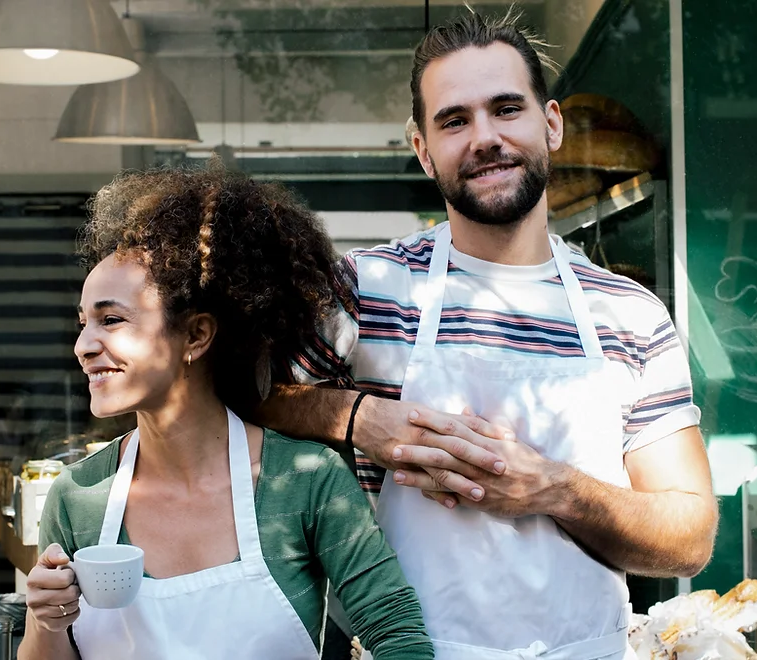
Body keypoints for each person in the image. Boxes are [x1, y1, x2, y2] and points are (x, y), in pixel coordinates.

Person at [257, 8, 718, 660]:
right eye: (454, 120)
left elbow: (690, 536)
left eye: (506, 109)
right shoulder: (366, 287)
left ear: (550, 124)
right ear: (422, 150)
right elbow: (250, 395)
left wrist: (552, 488)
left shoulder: (630, 313)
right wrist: (358, 419)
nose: (484, 137)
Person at [17, 167, 434, 660]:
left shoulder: (306, 481)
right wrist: (46, 623)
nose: (84, 346)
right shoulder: (77, 497)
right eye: (83, 323)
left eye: (111, 320)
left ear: (195, 335)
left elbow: (399, 636)